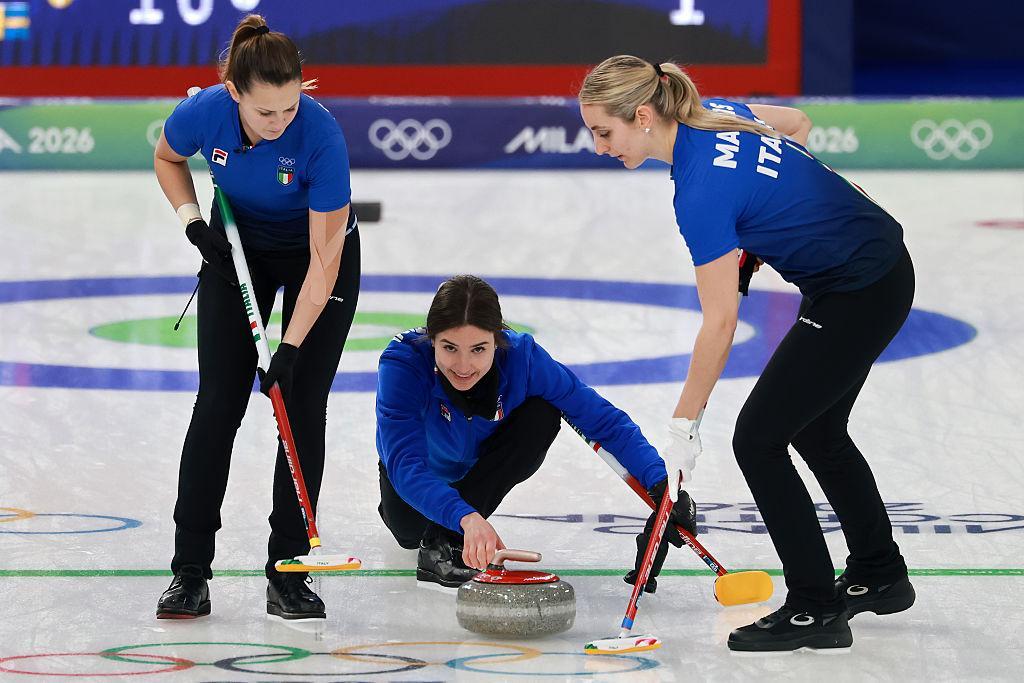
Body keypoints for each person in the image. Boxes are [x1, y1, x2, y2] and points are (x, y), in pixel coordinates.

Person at [578, 55, 916, 652]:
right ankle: (879, 572)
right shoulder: (717, 115)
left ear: (642, 115)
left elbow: (721, 322)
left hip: (858, 288)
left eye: (605, 132)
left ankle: (815, 608)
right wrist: (766, 232)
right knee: (816, 430)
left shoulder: (700, 193)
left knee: (758, 439)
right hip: (876, 266)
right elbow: (797, 124)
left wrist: (684, 422)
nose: (600, 148)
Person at [151, 14, 360, 621]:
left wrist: (289, 349)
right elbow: (168, 159)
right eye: (266, 113)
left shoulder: (322, 139)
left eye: (290, 109)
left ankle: (289, 574)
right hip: (235, 247)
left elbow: (324, 266)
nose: (279, 124)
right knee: (218, 404)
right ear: (235, 94)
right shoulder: (203, 113)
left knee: (300, 403)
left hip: (314, 258)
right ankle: (189, 571)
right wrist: (193, 221)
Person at [375, 274, 697, 589]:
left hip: (477, 474)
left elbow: (601, 419)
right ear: (432, 338)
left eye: (478, 349)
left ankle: (446, 539)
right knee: (409, 533)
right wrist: (466, 517)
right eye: (449, 348)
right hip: (416, 482)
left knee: (542, 414)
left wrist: (662, 486)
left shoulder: (523, 359)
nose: (463, 365)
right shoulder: (403, 363)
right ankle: (445, 525)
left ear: (497, 340)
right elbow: (405, 464)